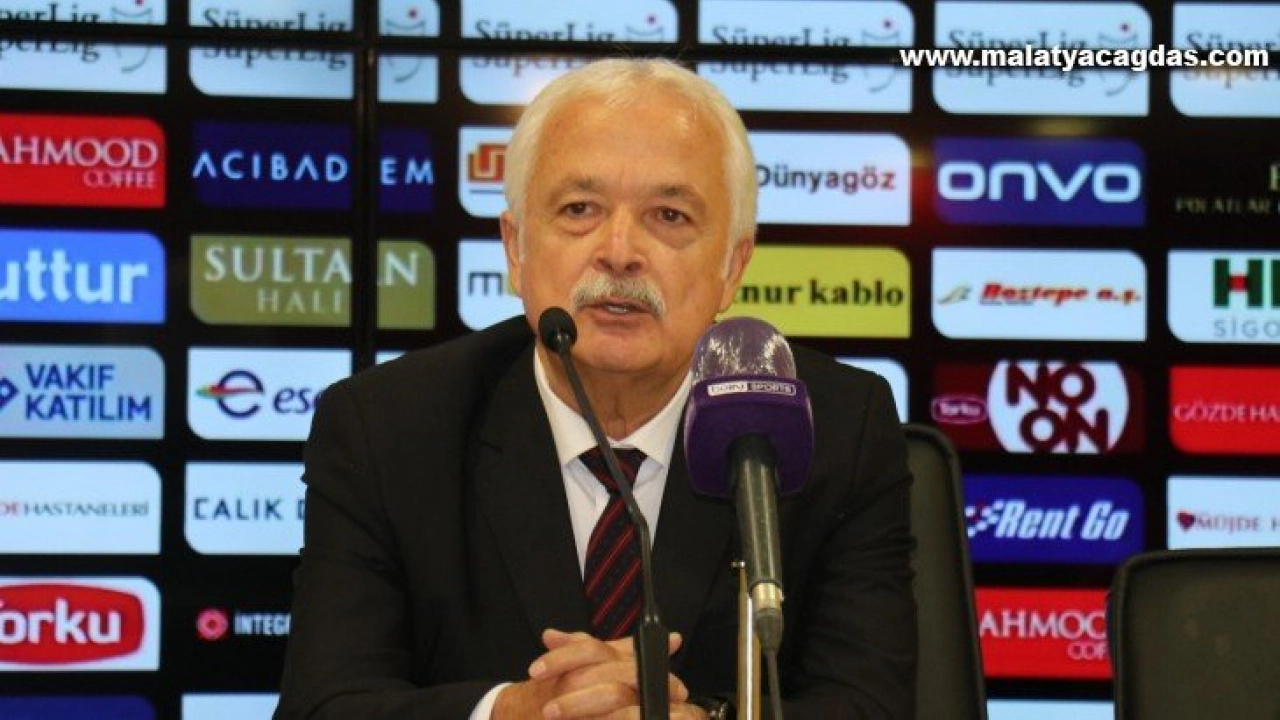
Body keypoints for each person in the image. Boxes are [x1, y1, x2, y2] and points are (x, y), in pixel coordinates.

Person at [276, 58, 916, 719]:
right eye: (579, 209)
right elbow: (323, 706)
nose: (619, 251)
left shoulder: (831, 426)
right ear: (516, 248)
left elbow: (871, 707)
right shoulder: (388, 429)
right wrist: (513, 713)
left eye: (669, 215)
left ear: (733, 265)